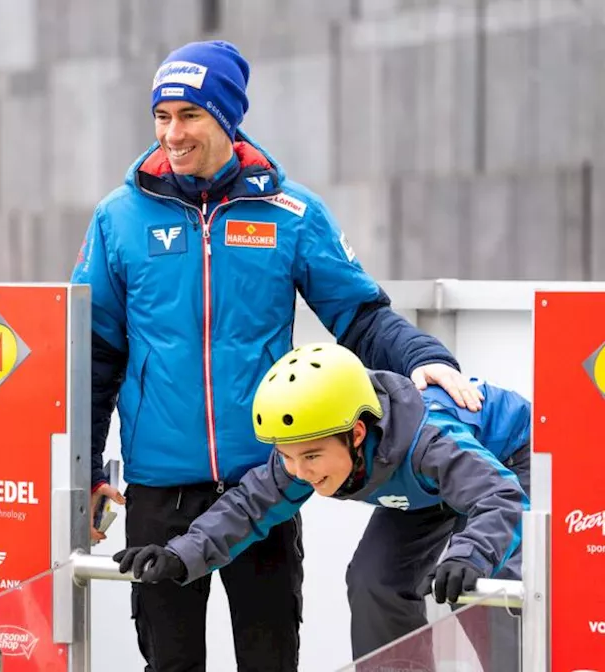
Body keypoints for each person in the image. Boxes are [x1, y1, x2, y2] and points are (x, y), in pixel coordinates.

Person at [71, 39, 484, 671]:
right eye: (161, 117)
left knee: (269, 658)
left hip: (266, 481)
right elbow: (95, 357)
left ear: (227, 119)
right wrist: (90, 470)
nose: (171, 134)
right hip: (158, 485)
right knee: (169, 664)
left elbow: (360, 315)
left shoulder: (290, 213)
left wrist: (425, 356)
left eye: (189, 116)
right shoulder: (117, 219)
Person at [113, 342, 529, 669]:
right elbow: (247, 507)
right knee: (373, 582)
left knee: (494, 594)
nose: (300, 472)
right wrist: (177, 555)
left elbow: (498, 496)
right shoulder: (306, 452)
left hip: (510, 466)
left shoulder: (430, 442)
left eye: (311, 457)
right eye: (287, 456)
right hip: (426, 491)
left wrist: (471, 553)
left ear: (358, 433)